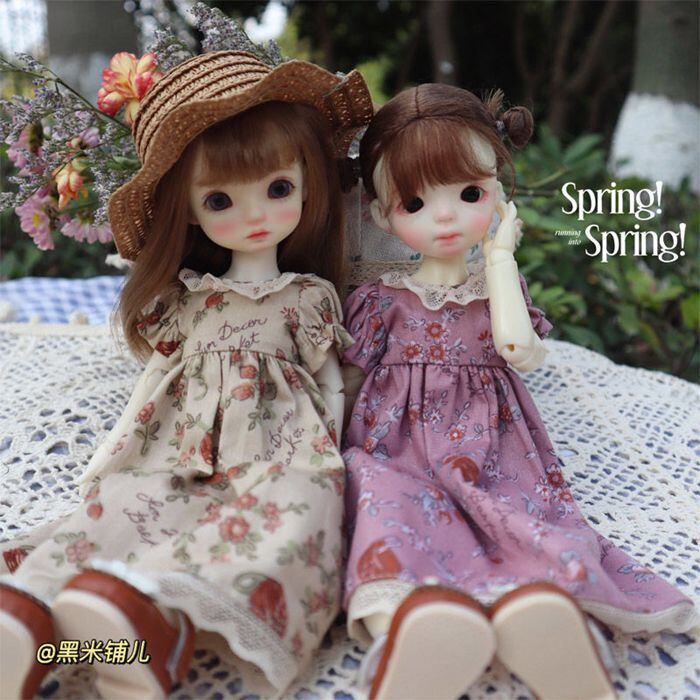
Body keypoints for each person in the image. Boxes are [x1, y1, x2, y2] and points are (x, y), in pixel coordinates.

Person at [0, 50, 372, 700]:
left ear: (308, 184)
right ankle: (46, 634)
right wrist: (112, 451)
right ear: (190, 210)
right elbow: (157, 377)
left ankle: (148, 638)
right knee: (121, 515)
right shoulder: (189, 300)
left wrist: (336, 454)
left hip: (281, 455)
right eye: (221, 200)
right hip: (178, 451)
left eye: (278, 189)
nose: (255, 215)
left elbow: (331, 381)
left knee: (288, 524)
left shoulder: (306, 298)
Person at [341, 83, 697, 700]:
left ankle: (537, 625)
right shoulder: (380, 299)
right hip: (393, 449)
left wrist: (501, 260)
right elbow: (348, 376)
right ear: (379, 215)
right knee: (381, 512)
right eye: (416, 202)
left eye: (470, 194)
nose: (446, 217)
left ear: (499, 196)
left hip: (491, 447)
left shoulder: (495, 291)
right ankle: (411, 634)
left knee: (525, 521)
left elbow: (518, 349)